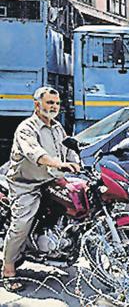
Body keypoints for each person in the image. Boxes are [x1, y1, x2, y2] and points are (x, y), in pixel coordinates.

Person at [2, 87, 80, 292]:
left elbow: (68, 149)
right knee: (22, 222)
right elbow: (35, 153)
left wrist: (76, 162)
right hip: (25, 183)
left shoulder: (57, 127)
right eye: (49, 103)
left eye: (56, 103)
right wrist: (57, 163)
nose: (54, 107)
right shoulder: (26, 128)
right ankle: (8, 269)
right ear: (37, 105)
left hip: (50, 179)